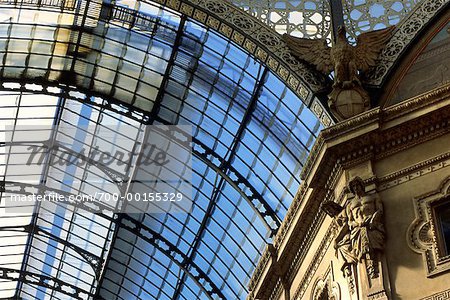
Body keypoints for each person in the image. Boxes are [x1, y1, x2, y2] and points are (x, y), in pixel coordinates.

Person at [346, 177, 385, 278]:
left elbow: (379, 210)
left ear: (361, 185)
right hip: (358, 230)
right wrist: (356, 224)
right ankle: (371, 267)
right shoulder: (350, 204)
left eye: (357, 185)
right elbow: (350, 221)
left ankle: (374, 267)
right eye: (353, 186)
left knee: (373, 248)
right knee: (363, 251)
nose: (356, 188)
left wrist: (373, 220)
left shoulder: (373, 197)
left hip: (372, 226)